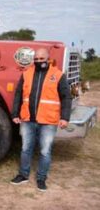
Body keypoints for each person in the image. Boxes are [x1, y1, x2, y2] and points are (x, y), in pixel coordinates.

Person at [10, 48, 71, 191]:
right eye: (36, 59)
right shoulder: (26, 74)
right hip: (27, 119)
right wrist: (15, 114)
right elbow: (18, 95)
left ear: (48, 59)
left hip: (48, 121)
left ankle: (41, 178)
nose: (38, 61)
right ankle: (23, 175)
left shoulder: (58, 75)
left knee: (45, 151)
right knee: (26, 149)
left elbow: (66, 97)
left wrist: (65, 117)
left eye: (41, 59)